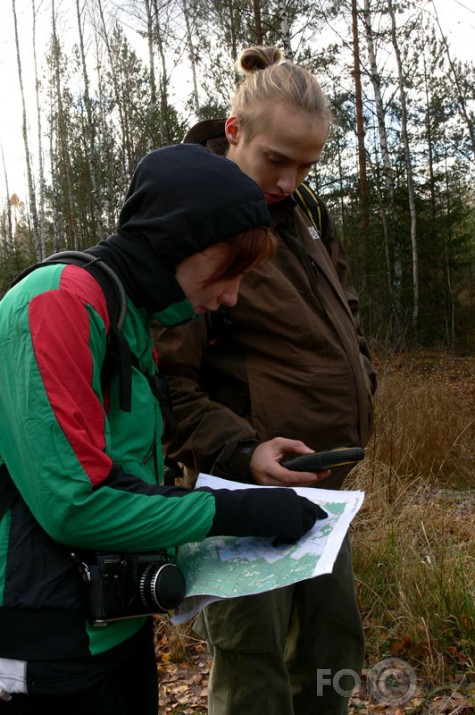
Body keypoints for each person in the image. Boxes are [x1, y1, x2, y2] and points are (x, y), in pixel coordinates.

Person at [0, 143, 326, 715]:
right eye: (229, 272)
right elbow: (75, 503)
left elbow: (128, 478)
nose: (231, 295)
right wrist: (230, 513)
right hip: (45, 639)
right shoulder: (57, 304)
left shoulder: (128, 316)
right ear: (178, 243)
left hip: (116, 622)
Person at [153, 47, 377, 715]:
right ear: (233, 131)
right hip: (238, 494)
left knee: (332, 652)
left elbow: (344, 307)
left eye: (305, 164)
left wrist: (361, 369)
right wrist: (241, 448)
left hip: (321, 490)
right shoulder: (194, 223)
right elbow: (163, 379)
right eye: (275, 160)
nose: (287, 178)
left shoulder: (303, 213)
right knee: (255, 677)